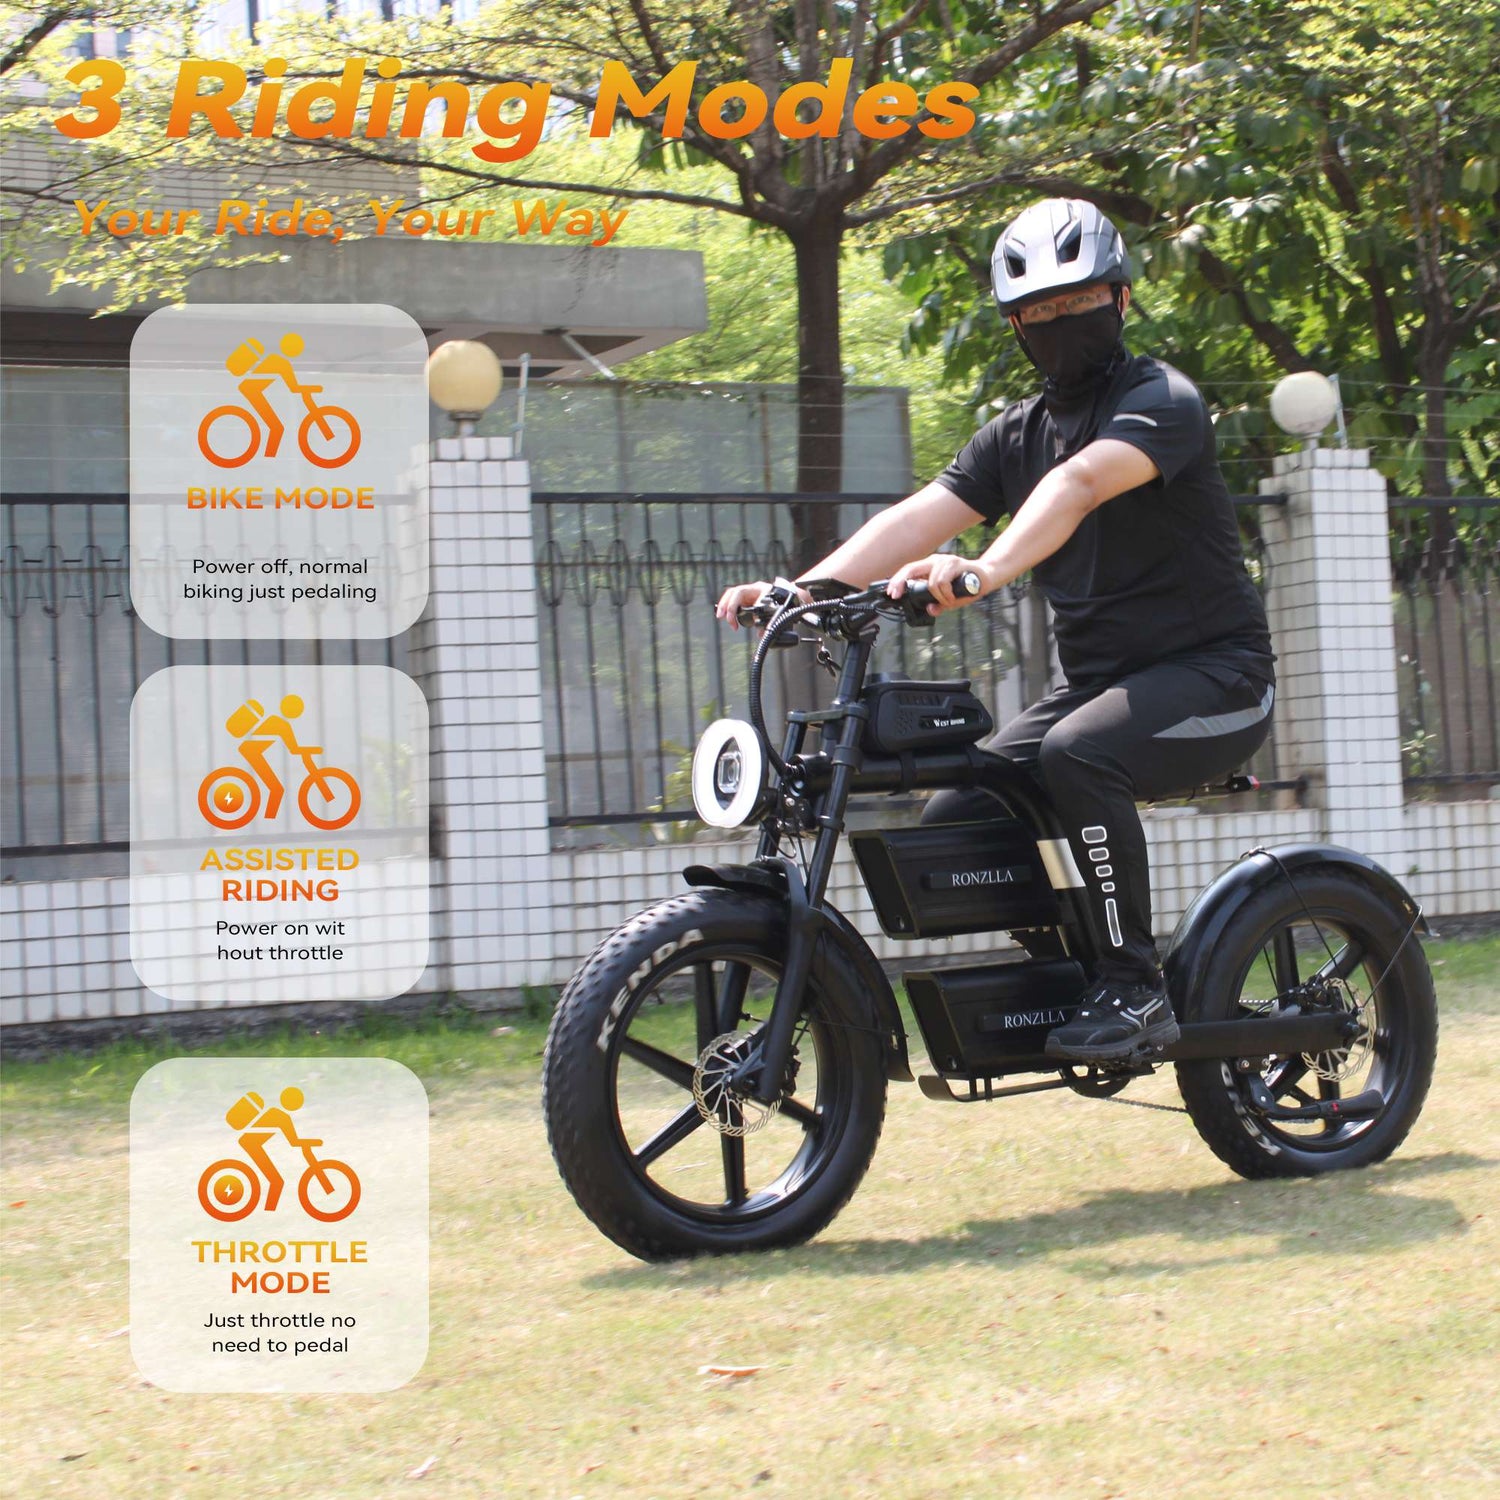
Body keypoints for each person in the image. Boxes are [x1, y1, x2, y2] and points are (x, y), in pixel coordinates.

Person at [715, 198, 1275, 1065]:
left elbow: (1079, 485)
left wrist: (984, 569)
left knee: (1078, 754)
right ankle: (1070, 967)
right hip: (1101, 689)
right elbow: (916, 518)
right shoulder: (1015, 435)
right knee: (962, 808)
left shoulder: (1161, 400)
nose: (1061, 323)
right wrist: (802, 592)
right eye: (1039, 312)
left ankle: (1134, 988)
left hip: (1218, 679)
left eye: (1077, 302)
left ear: (1121, 299)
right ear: (1016, 326)